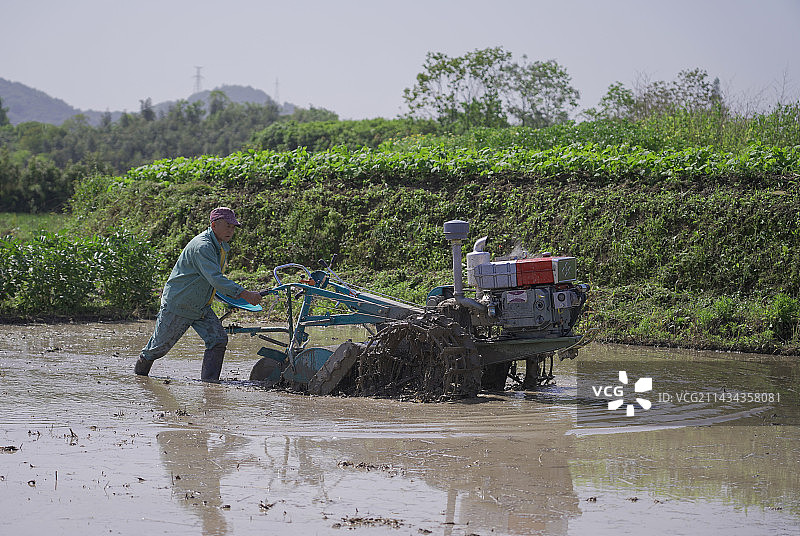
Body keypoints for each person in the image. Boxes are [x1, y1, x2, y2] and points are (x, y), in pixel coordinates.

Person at [134, 207, 262, 380]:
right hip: (180, 304)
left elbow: (212, 280)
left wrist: (233, 297)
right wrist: (244, 294)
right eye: (227, 226)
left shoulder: (221, 246)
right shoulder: (203, 246)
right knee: (156, 350)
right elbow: (216, 279)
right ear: (214, 225)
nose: (231, 230)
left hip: (201, 306)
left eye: (233, 227)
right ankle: (139, 380)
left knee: (218, 340)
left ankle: (210, 385)